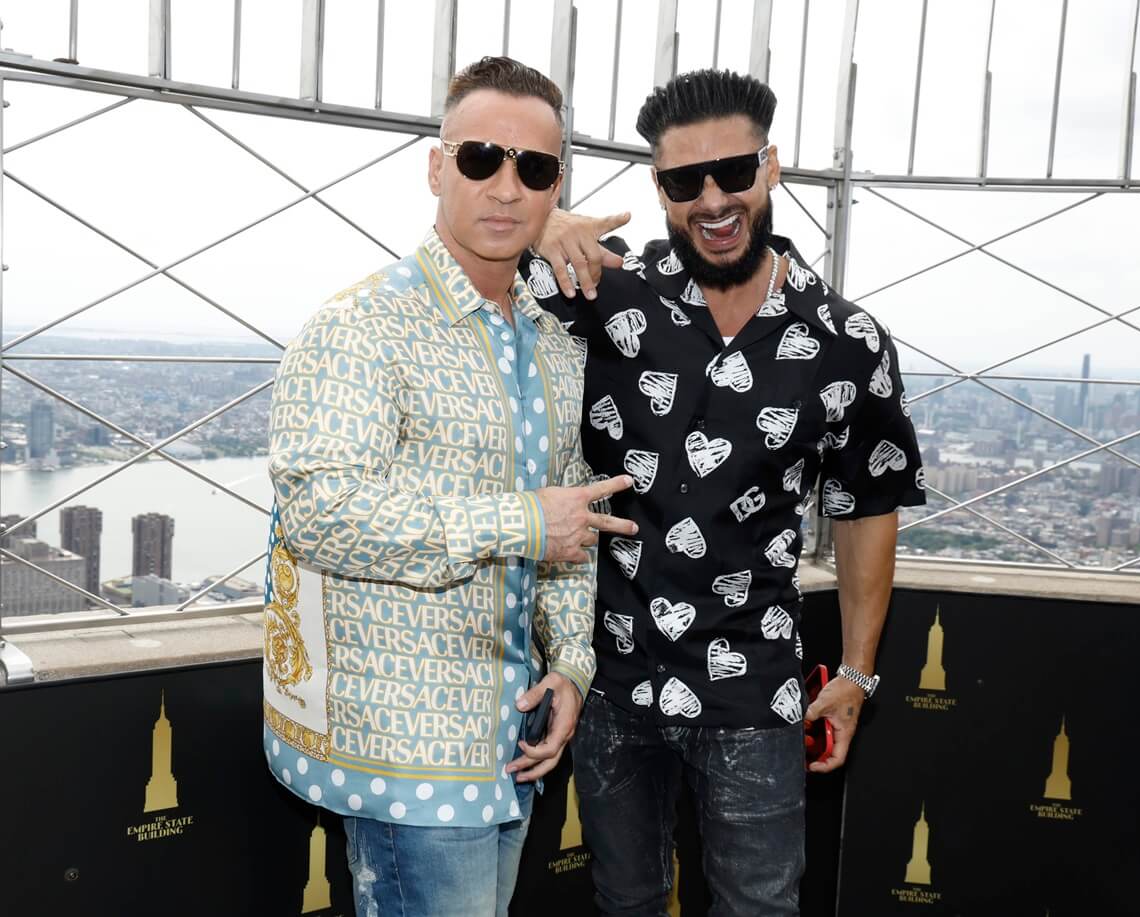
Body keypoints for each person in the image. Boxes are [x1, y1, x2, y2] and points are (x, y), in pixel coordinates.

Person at [519, 68, 926, 915]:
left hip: (754, 691)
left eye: (733, 172)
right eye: (682, 181)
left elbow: (866, 506)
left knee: (758, 906)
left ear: (771, 168)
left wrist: (856, 671)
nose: (711, 199)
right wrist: (542, 220)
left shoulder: (846, 340)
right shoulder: (605, 289)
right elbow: (469, 253)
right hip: (608, 679)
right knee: (623, 900)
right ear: (659, 190)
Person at [262, 56, 637, 917]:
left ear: (555, 192)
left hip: (512, 736)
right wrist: (519, 521)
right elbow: (320, 512)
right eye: (481, 159)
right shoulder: (362, 326)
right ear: (437, 167)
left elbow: (573, 523)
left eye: (534, 169)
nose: (506, 187)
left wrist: (573, 665)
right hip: (407, 757)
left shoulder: (554, 345)